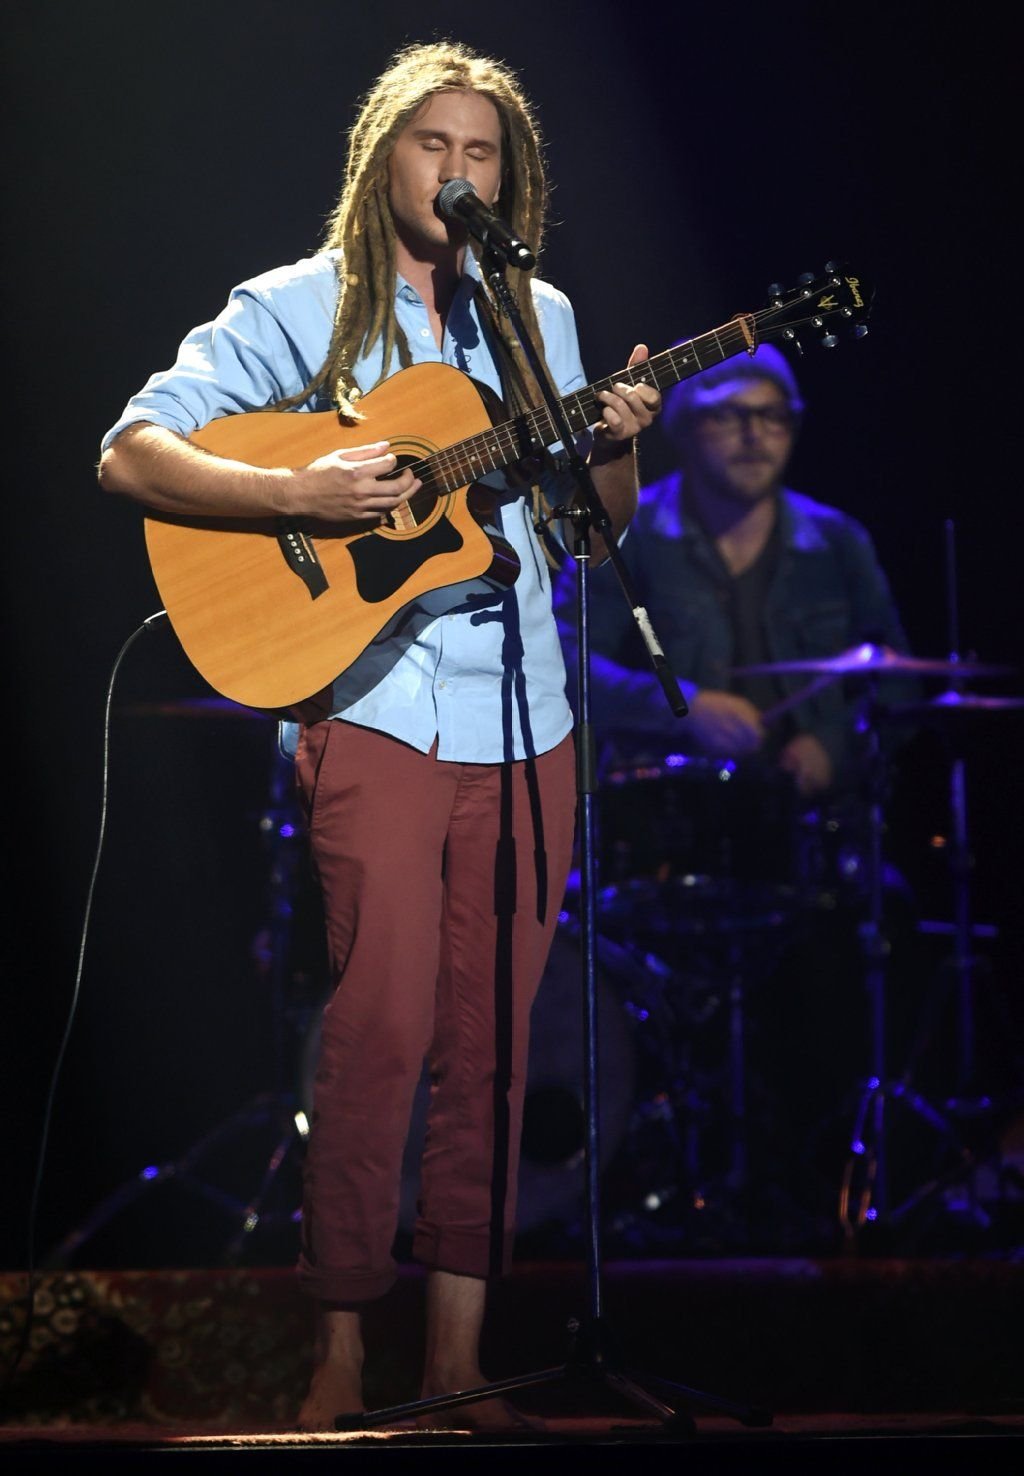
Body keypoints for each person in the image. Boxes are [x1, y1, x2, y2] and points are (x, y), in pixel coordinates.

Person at [97, 40, 660, 1429]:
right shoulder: (302, 305)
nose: (458, 172)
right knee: (384, 1023)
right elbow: (133, 449)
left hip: (530, 712)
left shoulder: (539, 317)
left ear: (508, 175)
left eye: (483, 154)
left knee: (498, 1044)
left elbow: (600, 527)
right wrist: (297, 498)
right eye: (434, 147)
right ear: (384, 160)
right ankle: (341, 1354)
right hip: (376, 712)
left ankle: (460, 1365)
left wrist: (619, 438)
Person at [552, 344, 918, 1247]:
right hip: (663, 839)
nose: (757, 434)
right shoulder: (628, 534)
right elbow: (556, 649)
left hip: (805, 836)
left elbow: (901, 683)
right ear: (684, 426)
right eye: (731, 413)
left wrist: (831, 749)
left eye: (775, 415)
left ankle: (844, 1192)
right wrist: (680, 711)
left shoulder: (836, 543)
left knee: (895, 928)